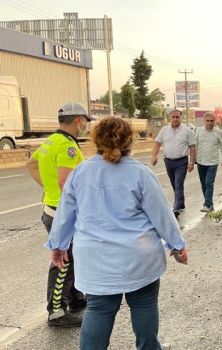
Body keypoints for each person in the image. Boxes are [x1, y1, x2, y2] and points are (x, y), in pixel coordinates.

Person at [45, 117, 188, 350]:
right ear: (129, 140)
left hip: (95, 259)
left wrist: (58, 245)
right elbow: (161, 214)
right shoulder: (140, 174)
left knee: (98, 309)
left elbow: (64, 215)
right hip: (139, 257)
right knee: (144, 306)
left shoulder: (80, 172)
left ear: (96, 140)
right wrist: (177, 246)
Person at [25, 102, 94, 327]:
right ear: (78, 121)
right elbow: (65, 181)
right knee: (63, 260)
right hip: (62, 213)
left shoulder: (50, 141)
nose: (86, 126)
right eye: (85, 121)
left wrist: (47, 188)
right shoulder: (67, 147)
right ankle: (56, 311)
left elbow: (31, 164)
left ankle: (75, 299)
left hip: (52, 208)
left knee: (71, 256)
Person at [150, 110, 196, 217]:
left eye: (177, 117)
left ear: (181, 118)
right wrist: (154, 156)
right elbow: (157, 144)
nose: (175, 119)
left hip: (181, 161)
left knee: (178, 183)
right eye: (173, 117)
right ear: (171, 117)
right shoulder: (164, 130)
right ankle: (181, 203)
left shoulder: (188, 131)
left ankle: (176, 208)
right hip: (168, 161)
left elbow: (192, 148)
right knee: (174, 184)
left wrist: (192, 162)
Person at [195, 112, 222, 212]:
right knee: (203, 184)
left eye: (212, 121)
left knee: (209, 183)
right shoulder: (198, 131)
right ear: (204, 121)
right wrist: (193, 159)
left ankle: (206, 204)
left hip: (213, 162)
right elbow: (195, 145)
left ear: (215, 121)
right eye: (207, 121)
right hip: (200, 161)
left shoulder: (218, 132)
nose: (209, 123)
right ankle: (210, 204)